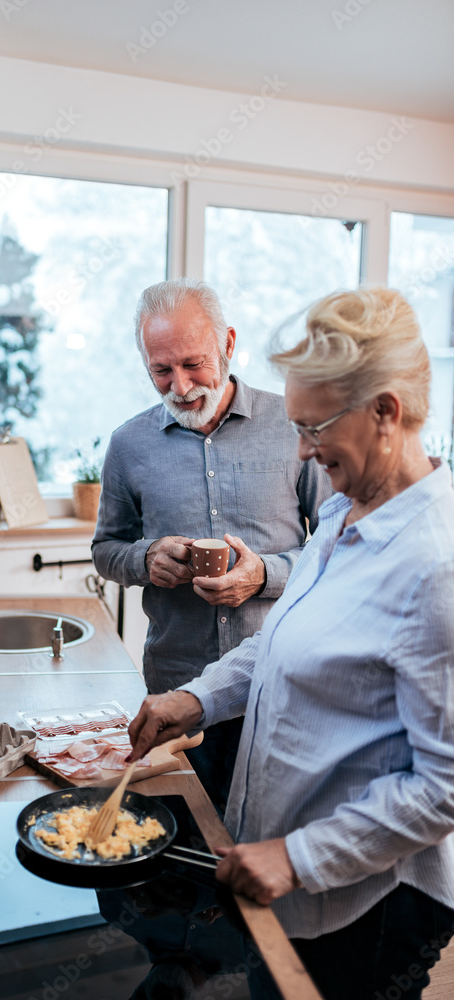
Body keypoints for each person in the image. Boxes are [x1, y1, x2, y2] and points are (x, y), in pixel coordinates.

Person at [127, 287, 454, 1000]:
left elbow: (445, 785)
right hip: (299, 888)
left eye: (315, 428)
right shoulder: (345, 510)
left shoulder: (436, 564)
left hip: (367, 906)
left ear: (387, 413)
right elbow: (281, 643)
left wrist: (297, 857)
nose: (301, 448)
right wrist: (195, 698)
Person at [92, 278, 331, 809]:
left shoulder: (296, 426)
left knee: (260, 847)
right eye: (161, 370)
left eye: (193, 363)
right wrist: (145, 558)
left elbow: (336, 549)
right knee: (177, 848)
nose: (179, 386)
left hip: (278, 687)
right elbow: (107, 549)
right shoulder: (128, 445)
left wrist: (263, 574)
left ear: (228, 343)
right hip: (176, 690)